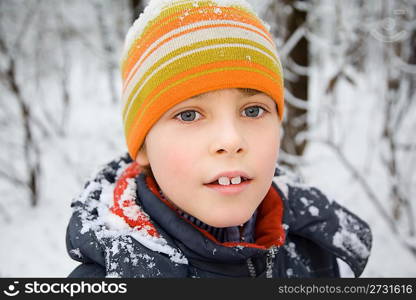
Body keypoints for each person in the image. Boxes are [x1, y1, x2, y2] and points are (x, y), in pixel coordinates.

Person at [66, 0, 372, 278]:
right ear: (143, 145)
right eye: (189, 115)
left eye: (253, 110)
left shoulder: (310, 247)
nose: (231, 139)